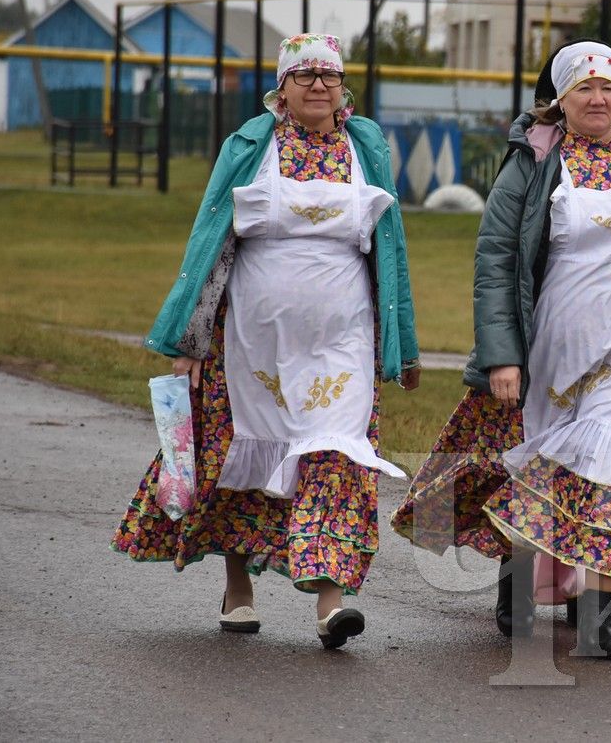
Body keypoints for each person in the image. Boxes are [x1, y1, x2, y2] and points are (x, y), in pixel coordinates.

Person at [391, 40, 611, 658]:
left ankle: (598, 616)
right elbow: (496, 261)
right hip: (549, 350)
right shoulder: (534, 162)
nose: (598, 99)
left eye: (608, 89)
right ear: (560, 99)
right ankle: (517, 583)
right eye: (584, 88)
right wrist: (502, 355)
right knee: (541, 464)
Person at [113, 33, 421, 650]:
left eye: (328, 76)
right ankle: (238, 592)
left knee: (336, 454)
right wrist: (190, 342)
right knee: (243, 455)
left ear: (343, 90)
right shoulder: (251, 145)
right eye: (302, 75)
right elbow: (210, 242)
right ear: (281, 90)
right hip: (250, 342)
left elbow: (392, 251)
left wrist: (402, 344)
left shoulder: (367, 149)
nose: (316, 85)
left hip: (343, 342)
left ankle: (330, 603)